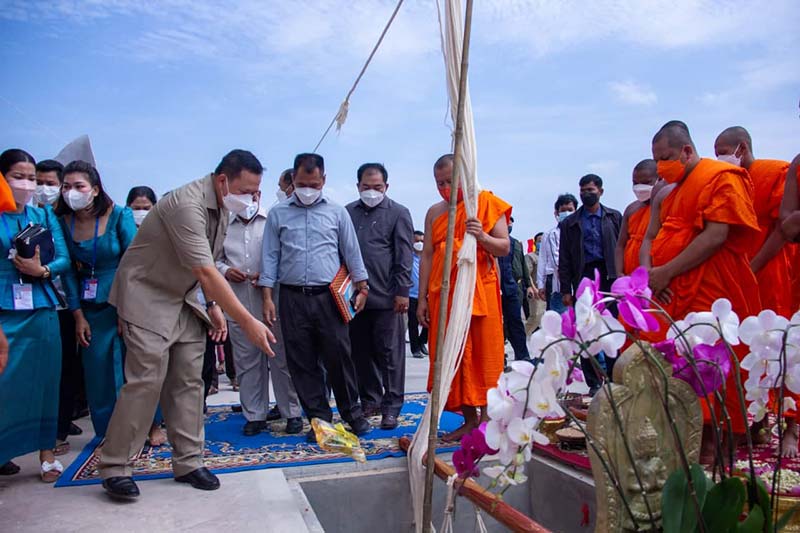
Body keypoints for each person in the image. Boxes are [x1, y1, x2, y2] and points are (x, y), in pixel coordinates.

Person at [98, 149, 276, 500]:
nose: (251, 199)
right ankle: (115, 466)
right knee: (146, 380)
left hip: (183, 297)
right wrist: (248, 321)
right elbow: (206, 270)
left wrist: (212, 305)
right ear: (223, 181)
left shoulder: (222, 206)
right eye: (246, 191)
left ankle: (188, 462)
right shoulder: (186, 205)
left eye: (256, 192)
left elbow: (206, 263)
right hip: (147, 294)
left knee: (190, 381)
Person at [641, 120, 761, 461]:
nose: (661, 167)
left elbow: (716, 235)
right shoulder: (672, 191)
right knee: (679, 364)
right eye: (656, 160)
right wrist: (653, 276)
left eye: (665, 158)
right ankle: (688, 435)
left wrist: (666, 271)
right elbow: (656, 236)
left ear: (687, 151)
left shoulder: (720, 177)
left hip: (712, 288)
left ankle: (716, 441)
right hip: (673, 291)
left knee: (711, 362)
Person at [259, 153, 371, 444]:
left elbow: (351, 251)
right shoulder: (278, 214)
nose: (307, 190)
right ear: (292, 181)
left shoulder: (337, 212)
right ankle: (320, 421)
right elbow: (270, 256)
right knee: (302, 362)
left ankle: (352, 414)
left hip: (329, 298)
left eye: (313, 184)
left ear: (323, 180)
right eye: (301, 184)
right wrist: (267, 297)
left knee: (339, 357)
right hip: (292, 297)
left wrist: (363, 288)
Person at [417, 154, 511, 441]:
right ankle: (470, 420)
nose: (445, 188)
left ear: (465, 177)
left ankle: (487, 421)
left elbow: (503, 247)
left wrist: (481, 236)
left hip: (479, 293)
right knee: (452, 356)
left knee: (483, 356)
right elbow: (427, 256)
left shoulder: (485, 203)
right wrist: (421, 299)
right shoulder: (434, 213)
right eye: (439, 183)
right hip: (444, 294)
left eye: (450, 181)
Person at [0, 149, 71, 482]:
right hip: (5, 309)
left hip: (41, 307)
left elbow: (63, 259)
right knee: (6, 383)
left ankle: (47, 454)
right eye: (19, 176)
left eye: (31, 177)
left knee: (45, 381)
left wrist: (41, 270)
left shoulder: (43, 215)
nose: (27, 184)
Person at [56, 160, 136, 442]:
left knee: (133, 366)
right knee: (97, 371)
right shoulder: (62, 222)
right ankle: (109, 433)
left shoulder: (120, 216)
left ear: (95, 189)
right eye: (66, 187)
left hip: (125, 300)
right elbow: (67, 271)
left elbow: (133, 263)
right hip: (89, 305)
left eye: (79, 186)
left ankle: (147, 425)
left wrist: (125, 310)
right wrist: (77, 314)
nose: (72, 192)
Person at [217, 185, 303, 435]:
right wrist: (226, 271)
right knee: (247, 362)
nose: (245, 200)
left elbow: (288, 256)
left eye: (250, 194)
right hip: (239, 303)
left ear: (258, 195)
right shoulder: (223, 226)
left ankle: (292, 412)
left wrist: (267, 276)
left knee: (281, 359)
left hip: (272, 302)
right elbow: (213, 259)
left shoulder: (273, 221)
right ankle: (255, 415)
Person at [346, 163, 414, 430]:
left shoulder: (398, 213)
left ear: (386, 186)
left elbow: (404, 256)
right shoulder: (347, 213)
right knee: (360, 352)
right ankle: (370, 399)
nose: (371, 192)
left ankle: (392, 406)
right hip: (355, 297)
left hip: (388, 297)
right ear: (358, 186)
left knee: (390, 354)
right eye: (366, 187)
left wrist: (402, 292)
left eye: (377, 187)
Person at [558, 175, 622, 390]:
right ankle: (593, 382)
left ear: (600, 191)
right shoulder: (570, 223)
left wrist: (623, 277)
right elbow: (564, 258)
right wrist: (566, 289)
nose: (586, 194)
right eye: (583, 190)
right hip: (583, 277)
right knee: (585, 330)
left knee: (611, 327)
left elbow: (623, 247)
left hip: (609, 276)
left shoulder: (614, 217)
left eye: (590, 190)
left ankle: (614, 378)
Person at [615, 160, 659, 277]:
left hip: (653, 274)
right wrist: (619, 273)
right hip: (629, 275)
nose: (640, 187)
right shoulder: (631, 209)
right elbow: (620, 245)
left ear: (659, 179)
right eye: (635, 183)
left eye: (646, 182)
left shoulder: (665, 207)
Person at [536, 194, 577, 315]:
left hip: (578, 284)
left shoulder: (580, 232)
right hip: (559, 286)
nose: (567, 213)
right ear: (557, 213)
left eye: (570, 210)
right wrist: (541, 284)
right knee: (560, 320)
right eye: (563, 210)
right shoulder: (552, 235)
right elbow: (548, 261)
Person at [498, 217, 530, 361]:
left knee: (516, 322)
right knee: (497, 325)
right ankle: (499, 357)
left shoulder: (516, 243)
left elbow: (523, 265)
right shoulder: (491, 241)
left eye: (510, 222)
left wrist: (529, 285)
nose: (508, 224)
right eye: (505, 221)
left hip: (512, 287)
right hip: (495, 288)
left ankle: (523, 356)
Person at [408, 230, 429, 358]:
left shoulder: (427, 258)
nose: (419, 243)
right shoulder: (408, 258)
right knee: (413, 323)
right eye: (417, 241)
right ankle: (415, 348)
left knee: (428, 322)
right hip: (411, 295)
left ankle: (422, 342)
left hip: (426, 295)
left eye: (422, 241)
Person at [523, 234, 545, 335]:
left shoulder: (549, 257)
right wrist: (533, 288)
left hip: (548, 291)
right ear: (535, 243)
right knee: (535, 316)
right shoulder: (530, 257)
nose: (542, 242)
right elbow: (527, 274)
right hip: (537, 291)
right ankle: (522, 336)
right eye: (539, 241)